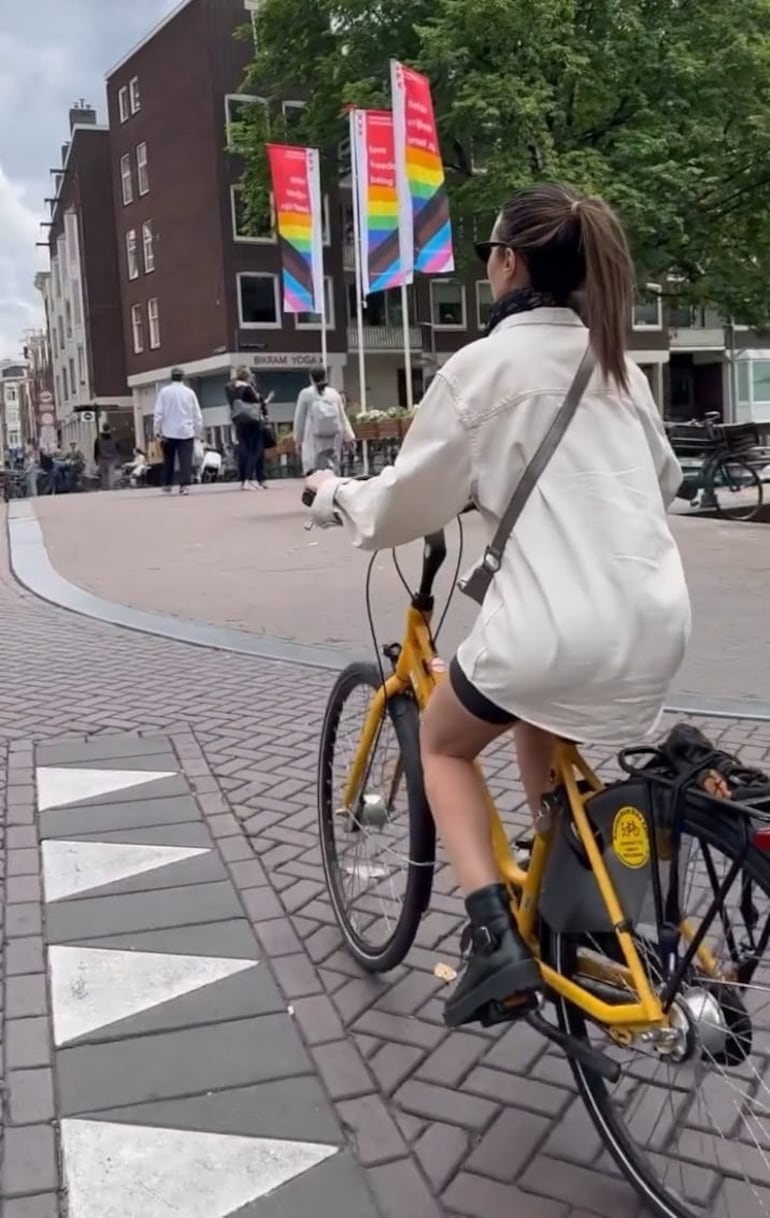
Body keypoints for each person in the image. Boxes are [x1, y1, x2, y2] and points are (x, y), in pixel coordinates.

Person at [307, 183, 691, 1029]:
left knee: (444, 744)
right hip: (655, 621)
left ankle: (493, 944)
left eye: (489, 252)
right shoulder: (614, 362)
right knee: (532, 711)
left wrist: (334, 492)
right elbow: (666, 481)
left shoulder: (482, 367)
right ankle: (564, 879)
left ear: (509, 263)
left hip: (554, 631)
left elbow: (401, 507)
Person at [294, 367, 354, 476]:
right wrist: (349, 437)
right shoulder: (334, 394)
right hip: (333, 436)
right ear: (324, 376)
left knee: (314, 467)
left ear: (311, 377)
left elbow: (300, 418)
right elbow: (342, 416)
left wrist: (298, 439)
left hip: (313, 437)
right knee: (333, 465)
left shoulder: (306, 394)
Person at [153, 368, 203, 495]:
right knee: (185, 459)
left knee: (169, 458)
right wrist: (198, 431)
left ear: (171, 377)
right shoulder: (189, 392)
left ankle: (168, 483)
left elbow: (158, 413)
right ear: (182, 378)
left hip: (168, 432)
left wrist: (157, 430)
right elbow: (197, 413)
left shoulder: (164, 392)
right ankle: (184, 485)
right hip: (186, 431)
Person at [225, 367, 271, 489]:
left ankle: (243, 479)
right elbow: (258, 402)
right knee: (255, 450)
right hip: (253, 421)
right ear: (248, 376)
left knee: (243, 449)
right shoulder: (248, 388)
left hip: (239, 421)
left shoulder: (231, 388)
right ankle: (249, 478)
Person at [93, 423, 120, 491]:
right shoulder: (114, 438)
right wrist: (118, 459)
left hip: (102, 459)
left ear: (102, 428)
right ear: (109, 428)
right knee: (111, 474)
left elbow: (96, 450)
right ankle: (111, 487)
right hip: (112, 459)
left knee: (104, 475)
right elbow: (118, 448)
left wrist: (96, 460)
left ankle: (105, 488)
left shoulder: (98, 438)